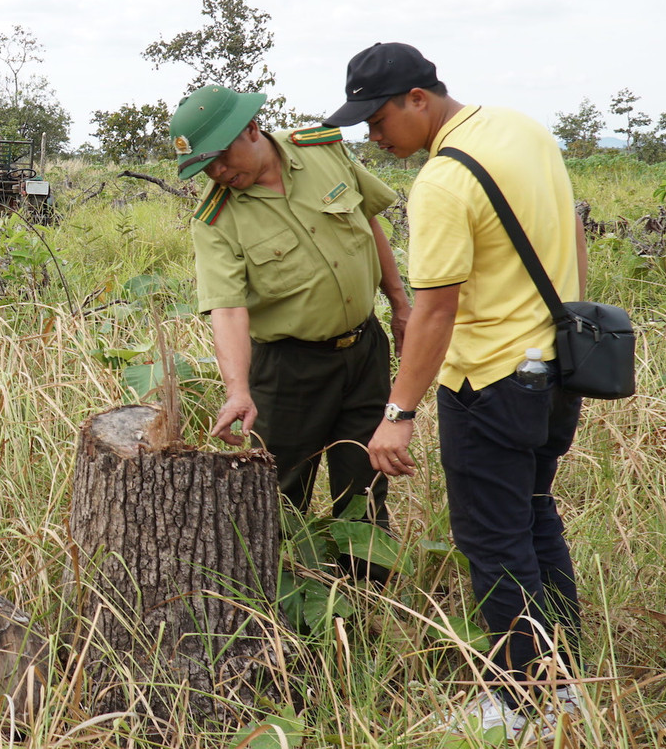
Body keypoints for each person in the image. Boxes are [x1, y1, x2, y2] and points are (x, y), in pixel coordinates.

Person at [322, 42, 587, 736]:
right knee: (534, 516)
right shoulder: (523, 130)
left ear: (419, 98)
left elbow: (434, 310)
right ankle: (563, 687)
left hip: (491, 379)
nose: (374, 139)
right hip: (558, 367)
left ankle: (519, 704)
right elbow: (575, 237)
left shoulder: (442, 180)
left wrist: (398, 413)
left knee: (494, 541)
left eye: (378, 121)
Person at [169, 83, 411, 535]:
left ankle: (362, 597)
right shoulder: (216, 219)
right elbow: (227, 308)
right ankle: (280, 599)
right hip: (288, 371)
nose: (218, 172)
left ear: (253, 129)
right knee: (275, 497)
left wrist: (400, 304)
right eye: (205, 167)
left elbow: (370, 223)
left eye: (221, 156)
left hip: (365, 350)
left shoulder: (324, 150)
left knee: (365, 484)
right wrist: (238, 390)